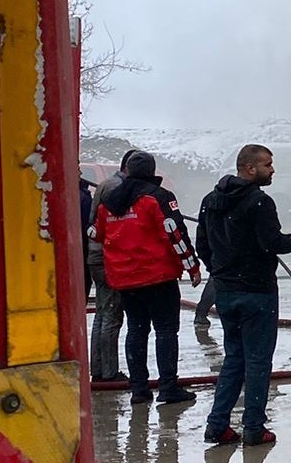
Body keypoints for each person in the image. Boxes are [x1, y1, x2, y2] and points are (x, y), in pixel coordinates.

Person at [197, 143, 291, 447]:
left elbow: (203, 246)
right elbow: (271, 242)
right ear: (250, 168)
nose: (272, 170)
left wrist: (220, 272)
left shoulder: (211, 200)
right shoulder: (259, 202)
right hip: (257, 293)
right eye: (267, 165)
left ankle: (218, 424)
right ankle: (254, 428)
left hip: (226, 293)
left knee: (234, 358)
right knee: (258, 362)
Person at [94, 150, 202, 403]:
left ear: (127, 171)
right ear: (153, 172)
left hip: (124, 279)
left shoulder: (108, 201)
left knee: (136, 330)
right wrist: (192, 266)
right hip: (158, 277)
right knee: (165, 331)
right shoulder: (158, 198)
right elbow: (175, 234)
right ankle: (168, 388)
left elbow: (97, 234)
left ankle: (138, 390)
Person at [87, 151, 133, 383]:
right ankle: (109, 372)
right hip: (107, 257)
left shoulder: (106, 184)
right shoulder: (119, 188)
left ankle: (97, 368)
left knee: (102, 313)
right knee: (112, 315)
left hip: (96, 255)